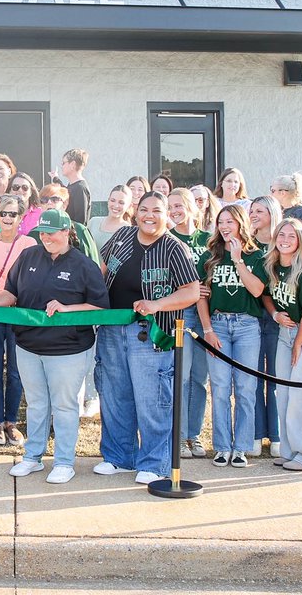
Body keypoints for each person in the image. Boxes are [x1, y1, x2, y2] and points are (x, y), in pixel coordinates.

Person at [0, 210, 109, 483]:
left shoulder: (83, 264)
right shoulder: (29, 256)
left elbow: (100, 307)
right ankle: (33, 457)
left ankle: (64, 462)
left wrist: (67, 308)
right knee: (37, 404)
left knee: (64, 406)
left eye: (52, 232)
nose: (46, 237)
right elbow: (11, 292)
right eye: (42, 232)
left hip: (69, 350)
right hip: (28, 345)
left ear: (67, 232)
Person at [95, 191, 200, 485]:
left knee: (152, 400)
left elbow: (191, 292)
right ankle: (118, 457)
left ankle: (154, 462)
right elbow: (99, 272)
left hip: (150, 335)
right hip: (112, 329)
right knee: (115, 396)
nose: (149, 216)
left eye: (156, 210)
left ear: (166, 214)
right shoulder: (121, 237)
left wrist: (157, 304)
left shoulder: (173, 248)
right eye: (144, 209)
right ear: (135, 212)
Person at [197, 204, 267, 469]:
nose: (225, 227)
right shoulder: (209, 256)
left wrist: (238, 259)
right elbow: (201, 297)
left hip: (247, 326)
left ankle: (242, 447)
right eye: (221, 222)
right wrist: (207, 330)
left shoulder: (256, 256)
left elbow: (258, 290)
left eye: (230, 222)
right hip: (218, 324)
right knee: (221, 388)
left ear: (240, 224)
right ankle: (223, 446)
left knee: (246, 389)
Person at [263, 218, 302, 471]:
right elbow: (267, 297)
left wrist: (299, 343)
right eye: (282, 234)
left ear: (300, 241)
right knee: (285, 395)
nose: (285, 239)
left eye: (292, 236)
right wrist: (275, 314)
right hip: (285, 334)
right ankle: (291, 451)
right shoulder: (273, 267)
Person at [0, 194, 36, 444]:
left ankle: (11, 421)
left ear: (21, 217)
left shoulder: (30, 244)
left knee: (15, 369)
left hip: (17, 310)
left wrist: (9, 298)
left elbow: (32, 280)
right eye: (4, 213)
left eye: (13, 214)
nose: (8, 218)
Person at [166, 188, 210, 459]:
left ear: (193, 207)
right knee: (181, 376)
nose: (175, 210)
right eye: (170, 206)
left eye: (180, 205)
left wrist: (206, 289)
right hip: (180, 315)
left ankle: (194, 434)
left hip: (205, 316)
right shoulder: (167, 239)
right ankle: (179, 435)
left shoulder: (208, 240)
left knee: (199, 379)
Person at [249, 195, 283, 458]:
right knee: (251, 378)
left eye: (259, 210)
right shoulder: (247, 245)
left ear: (272, 213)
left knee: (274, 377)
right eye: (252, 211)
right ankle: (255, 433)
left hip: (275, 319)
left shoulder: (281, 244)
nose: (254, 214)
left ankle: (277, 435)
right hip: (250, 316)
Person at [88, 184, 131, 249]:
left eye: (121, 203)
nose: (116, 205)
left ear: (129, 206)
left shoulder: (128, 231)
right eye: (113, 200)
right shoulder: (93, 222)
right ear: (108, 201)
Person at [56, 149, 92, 226]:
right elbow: (66, 191)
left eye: (63, 163)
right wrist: (55, 178)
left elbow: (80, 221)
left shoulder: (80, 188)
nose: (62, 166)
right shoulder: (73, 185)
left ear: (72, 164)